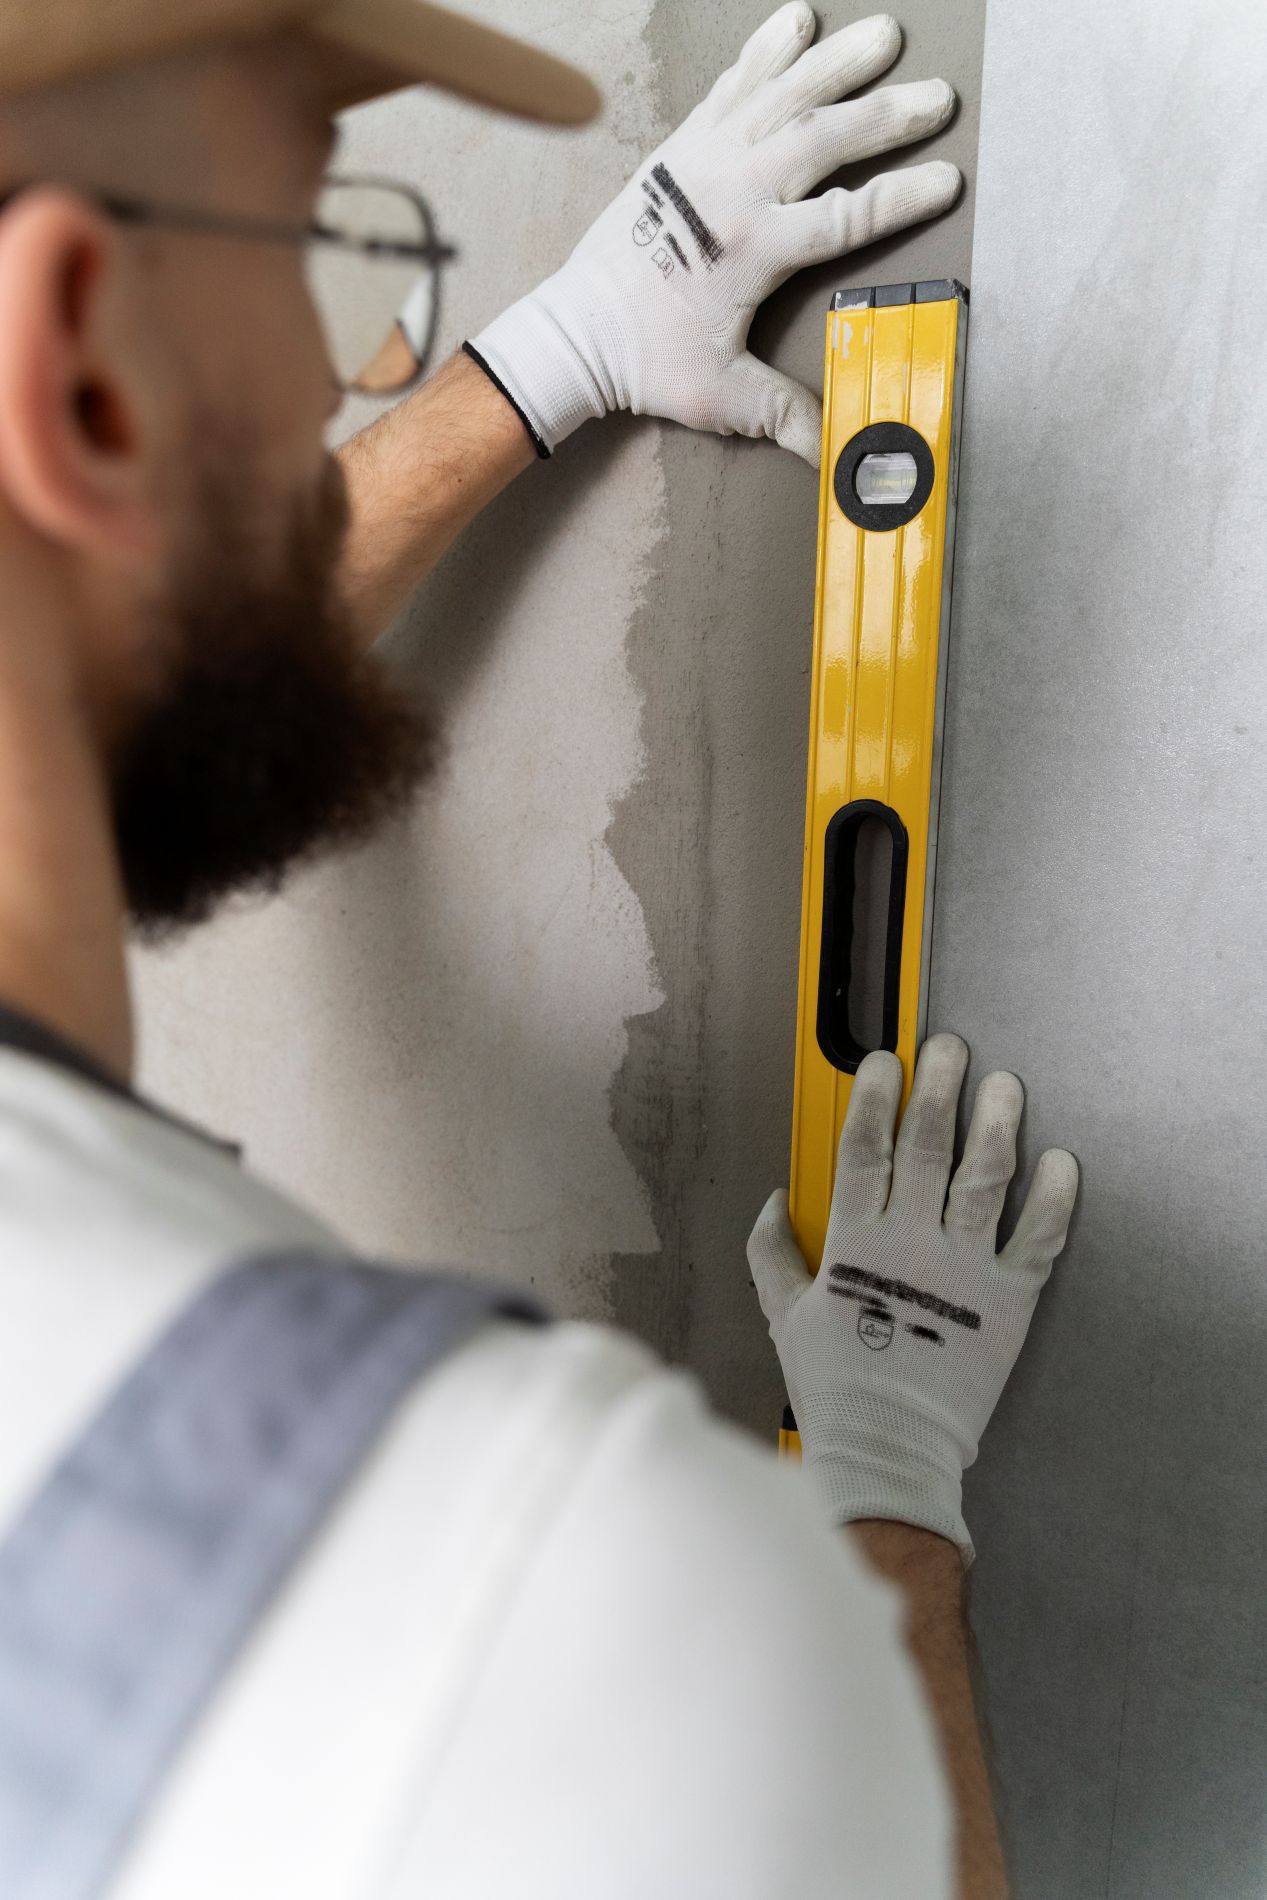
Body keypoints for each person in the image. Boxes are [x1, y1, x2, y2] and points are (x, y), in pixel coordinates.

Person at [0, 1, 1079, 1894]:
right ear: (83, 369)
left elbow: (99, 698)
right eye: (325, 255)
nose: (344, 355)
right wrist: (886, 1517)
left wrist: (554, 351)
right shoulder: (536, 1603)